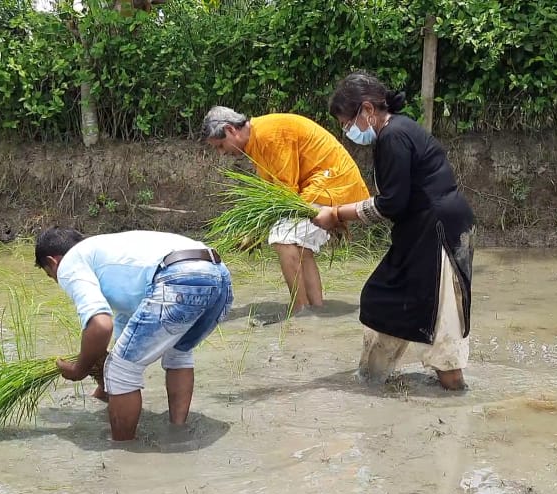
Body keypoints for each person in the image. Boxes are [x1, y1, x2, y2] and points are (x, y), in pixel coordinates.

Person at [311, 72, 476, 391]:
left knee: (442, 319)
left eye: (347, 123)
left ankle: (455, 394)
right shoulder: (398, 130)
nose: (347, 131)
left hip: (437, 232)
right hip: (422, 231)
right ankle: (370, 381)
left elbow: (392, 203)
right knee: (383, 298)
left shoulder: (392, 136)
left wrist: (337, 213)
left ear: (368, 109)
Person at [35, 227, 233, 441]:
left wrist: (79, 369)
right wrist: (102, 385)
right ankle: (178, 431)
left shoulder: (71, 262)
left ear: (53, 262)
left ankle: (124, 453)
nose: (58, 280)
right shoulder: (114, 258)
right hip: (219, 275)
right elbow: (123, 345)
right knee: (178, 351)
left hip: (178, 276)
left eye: (51, 275)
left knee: (122, 371)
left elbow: (100, 326)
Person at [201, 107, 371, 316]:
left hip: (332, 184)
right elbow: (275, 192)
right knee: (300, 247)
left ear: (230, 130)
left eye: (220, 146)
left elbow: (285, 191)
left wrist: (259, 230)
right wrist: (254, 230)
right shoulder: (259, 139)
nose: (222, 153)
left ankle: (299, 313)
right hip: (324, 185)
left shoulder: (269, 134)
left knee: (283, 239)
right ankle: (316, 311)